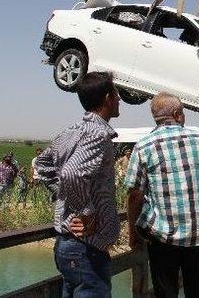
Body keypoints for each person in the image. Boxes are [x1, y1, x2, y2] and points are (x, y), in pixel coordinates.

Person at [125, 92, 199, 298]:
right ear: (177, 114)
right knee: (197, 291)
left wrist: (133, 233)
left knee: (166, 291)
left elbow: (134, 194)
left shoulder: (143, 146)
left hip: (162, 238)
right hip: (198, 235)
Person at [35, 71, 121, 297]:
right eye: (117, 94)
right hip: (85, 248)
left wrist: (63, 193)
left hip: (71, 247)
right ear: (107, 98)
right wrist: (87, 213)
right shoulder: (98, 134)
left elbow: (43, 164)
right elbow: (73, 174)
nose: (120, 99)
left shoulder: (70, 131)